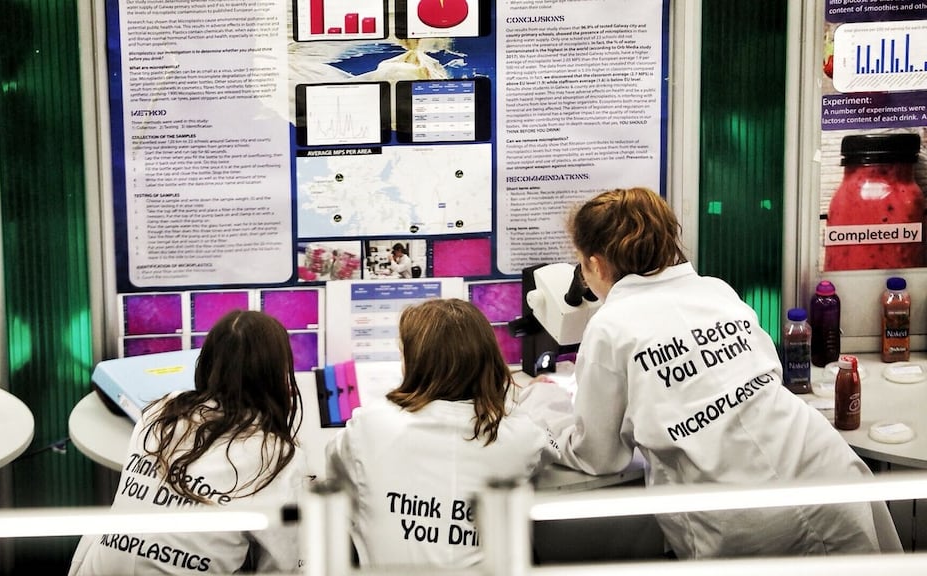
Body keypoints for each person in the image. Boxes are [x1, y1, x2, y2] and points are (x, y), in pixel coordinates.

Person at [521, 187, 902, 559]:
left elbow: (599, 456)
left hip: (745, 517)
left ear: (595, 263)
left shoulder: (610, 326)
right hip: (826, 472)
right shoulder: (717, 291)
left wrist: (543, 405)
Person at [68, 310, 308, 574]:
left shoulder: (160, 411)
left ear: (205, 363)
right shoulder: (278, 459)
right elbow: (283, 566)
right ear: (278, 376)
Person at [325, 298, 558, 569]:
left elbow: (335, 477)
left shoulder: (369, 426)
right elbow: (552, 451)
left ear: (415, 364)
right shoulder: (521, 435)